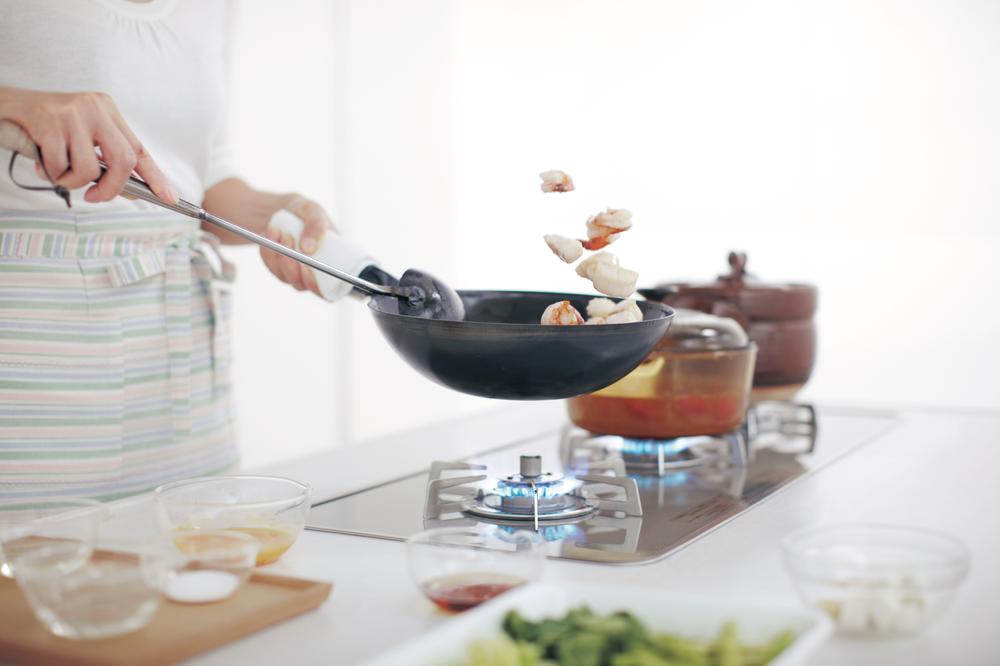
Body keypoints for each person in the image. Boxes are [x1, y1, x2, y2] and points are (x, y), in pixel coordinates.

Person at [0, 0, 331, 500]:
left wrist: (280, 213)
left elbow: (202, 177)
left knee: (198, 556)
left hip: (183, 370)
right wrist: (13, 101)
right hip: (33, 360)